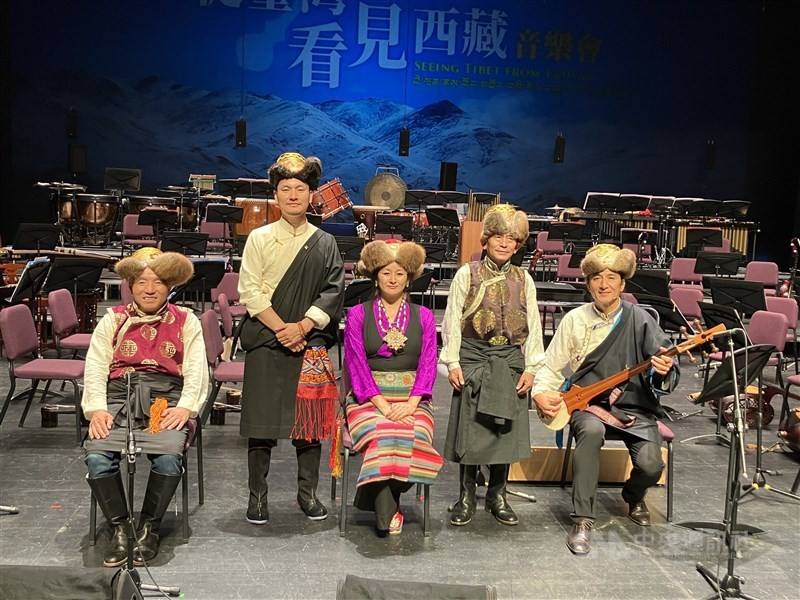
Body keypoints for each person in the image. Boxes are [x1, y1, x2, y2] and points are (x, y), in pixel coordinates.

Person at [531, 243, 678, 555]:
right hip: (589, 406)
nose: (604, 284)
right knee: (591, 431)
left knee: (651, 465)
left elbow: (665, 363)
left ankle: (633, 494)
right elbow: (551, 365)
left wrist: (663, 368)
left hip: (634, 407)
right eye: (597, 277)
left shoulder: (640, 319)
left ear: (622, 284)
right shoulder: (575, 319)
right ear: (587, 283)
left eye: (612, 277)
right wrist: (541, 393)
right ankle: (583, 518)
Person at [82, 248, 208, 567]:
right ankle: (121, 528)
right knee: (98, 458)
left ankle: (149, 528)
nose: (149, 289)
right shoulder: (113, 319)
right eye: (141, 282)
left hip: (161, 402)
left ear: (169, 286)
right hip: (116, 400)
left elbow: (196, 370)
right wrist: (96, 409)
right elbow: (96, 366)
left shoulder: (186, 320)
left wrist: (186, 408)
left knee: (166, 459)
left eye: (157, 282)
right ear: (130, 285)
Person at [238, 151, 344, 525]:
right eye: (286, 189)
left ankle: (307, 495)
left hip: (308, 342)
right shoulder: (259, 238)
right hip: (267, 342)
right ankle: (257, 497)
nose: (294, 195)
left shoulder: (325, 242)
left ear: (312, 194)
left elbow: (333, 291)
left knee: (309, 425)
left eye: (301, 188)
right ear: (276, 195)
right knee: (261, 426)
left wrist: (302, 328)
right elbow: (250, 291)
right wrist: (283, 328)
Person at [440, 204, 545, 527]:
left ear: (518, 244)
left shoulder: (524, 278)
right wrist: (453, 361)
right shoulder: (466, 274)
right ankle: (466, 495)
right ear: (486, 240)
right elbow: (452, 321)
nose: (503, 243)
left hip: (510, 362)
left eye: (511, 238)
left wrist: (532, 367)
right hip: (475, 358)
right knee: (472, 431)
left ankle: (497, 494)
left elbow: (534, 324)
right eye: (498, 236)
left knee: (504, 431)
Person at [343, 240, 444, 535]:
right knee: (384, 432)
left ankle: (375, 501)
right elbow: (356, 364)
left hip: (413, 398)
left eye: (399, 273)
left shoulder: (424, 316)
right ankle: (387, 511)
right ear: (376, 275)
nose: (392, 279)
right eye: (386, 272)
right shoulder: (358, 314)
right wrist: (384, 406)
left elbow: (428, 363)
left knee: (413, 432)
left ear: (408, 278)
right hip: (368, 398)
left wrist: (412, 404)